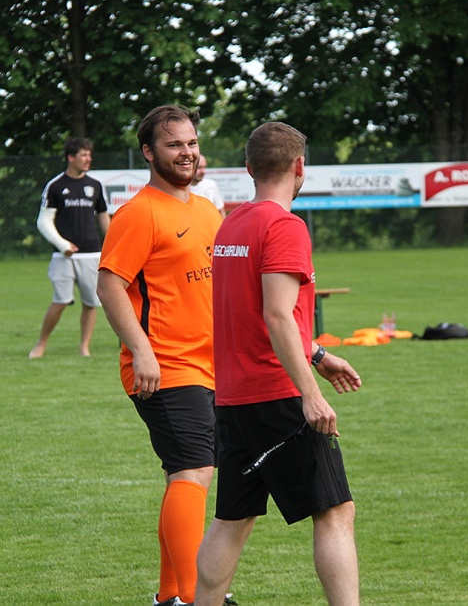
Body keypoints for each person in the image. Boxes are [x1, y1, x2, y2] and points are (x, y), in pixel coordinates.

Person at [196, 122, 362, 605]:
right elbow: (276, 314)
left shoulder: (231, 224)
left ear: (249, 168)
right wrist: (311, 394)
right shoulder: (285, 226)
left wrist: (319, 354)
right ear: (299, 166)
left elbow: (254, 313)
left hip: (233, 396)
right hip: (277, 394)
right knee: (335, 512)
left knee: (233, 519)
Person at [97, 105, 225, 606]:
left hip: (209, 366)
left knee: (185, 477)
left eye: (191, 143)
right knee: (194, 472)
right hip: (164, 367)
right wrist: (141, 351)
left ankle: (171, 596)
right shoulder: (139, 212)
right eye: (174, 145)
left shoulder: (206, 210)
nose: (186, 152)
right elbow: (110, 285)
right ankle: (193, 598)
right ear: (149, 153)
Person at [29, 137, 110, 359]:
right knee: (61, 300)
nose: (88, 159)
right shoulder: (55, 186)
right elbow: (43, 222)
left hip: (92, 254)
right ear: (71, 157)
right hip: (63, 257)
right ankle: (41, 344)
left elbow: (103, 217)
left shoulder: (95, 185)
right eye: (83, 155)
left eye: (89, 155)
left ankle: (84, 347)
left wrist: (113, 242)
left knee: (91, 303)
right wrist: (62, 245)